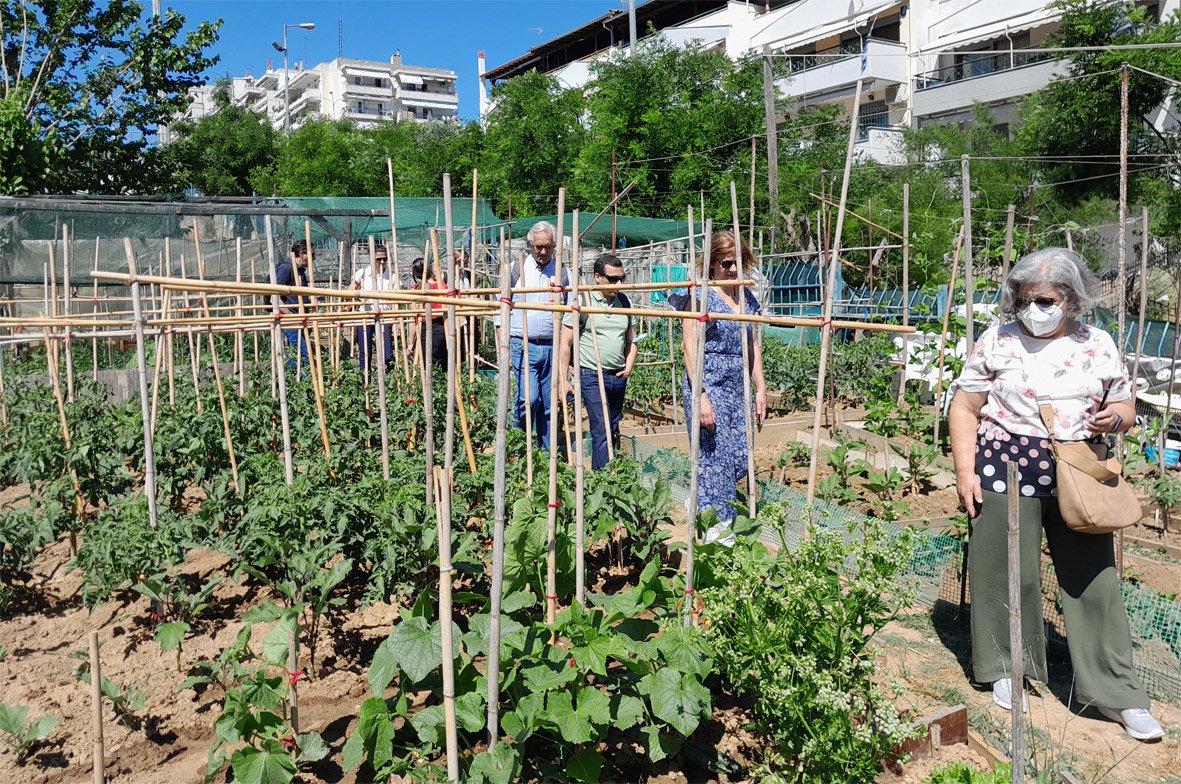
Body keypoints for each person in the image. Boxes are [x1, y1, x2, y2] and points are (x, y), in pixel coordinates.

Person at [948, 247, 1163, 741]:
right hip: (1004, 465)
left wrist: (1118, 417)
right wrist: (966, 471)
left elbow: (1125, 404)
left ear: (1071, 299)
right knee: (1005, 571)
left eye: (1043, 300)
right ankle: (1007, 669)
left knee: (1094, 581)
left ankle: (1117, 693)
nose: (1032, 310)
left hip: (1079, 471)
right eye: (1023, 299)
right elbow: (965, 406)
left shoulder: (1099, 343)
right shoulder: (997, 341)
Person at [671, 230, 767, 545]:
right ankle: (718, 525)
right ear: (712, 264)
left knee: (740, 455)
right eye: (727, 263)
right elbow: (689, 346)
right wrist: (700, 396)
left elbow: (752, 344)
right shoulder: (700, 296)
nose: (734, 270)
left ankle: (700, 501)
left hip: (738, 385)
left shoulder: (747, 298)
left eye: (739, 263)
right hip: (708, 381)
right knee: (715, 455)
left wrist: (761, 389)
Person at [495, 221, 569, 451]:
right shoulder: (516, 270)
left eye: (547, 246)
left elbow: (572, 312)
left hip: (551, 346)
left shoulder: (563, 273)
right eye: (538, 247)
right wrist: (502, 347)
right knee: (529, 399)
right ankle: (520, 447)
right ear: (530, 246)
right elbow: (499, 311)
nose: (543, 252)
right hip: (522, 344)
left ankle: (547, 454)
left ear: (554, 246)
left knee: (549, 404)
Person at [559, 254, 638, 470]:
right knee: (601, 428)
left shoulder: (624, 301)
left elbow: (632, 339)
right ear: (597, 277)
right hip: (592, 375)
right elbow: (565, 342)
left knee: (612, 428)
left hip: (618, 376)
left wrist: (629, 366)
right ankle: (606, 480)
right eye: (613, 279)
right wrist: (563, 379)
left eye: (621, 278)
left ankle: (606, 475)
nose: (619, 284)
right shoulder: (583, 301)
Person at [349, 243, 395, 374]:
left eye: (384, 259)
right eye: (378, 259)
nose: (382, 262)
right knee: (365, 352)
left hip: (385, 316)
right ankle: (365, 379)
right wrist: (360, 299)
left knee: (388, 353)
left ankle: (392, 379)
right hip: (366, 316)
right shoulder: (362, 273)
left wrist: (396, 321)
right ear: (371, 258)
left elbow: (398, 299)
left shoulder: (391, 276)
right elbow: (349, 292)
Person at [275, 239, 314, 370]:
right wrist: (292, 316)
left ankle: (295, 384)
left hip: (299, 320)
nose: (313, 259)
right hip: (291, 322)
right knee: (304, 357)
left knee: (296, 357)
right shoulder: (286, 269)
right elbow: (275, 298)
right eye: (311, 255)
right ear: (302, 254)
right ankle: (304, 386)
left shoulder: (300, 272)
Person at [411, 258, 447, 370]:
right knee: (442, 362)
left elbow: (414, 318)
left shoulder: (416, 290)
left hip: (426, 327)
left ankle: (431, 386)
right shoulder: (442, 287)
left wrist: (410, 342)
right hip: (443, 326)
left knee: (428, 364)